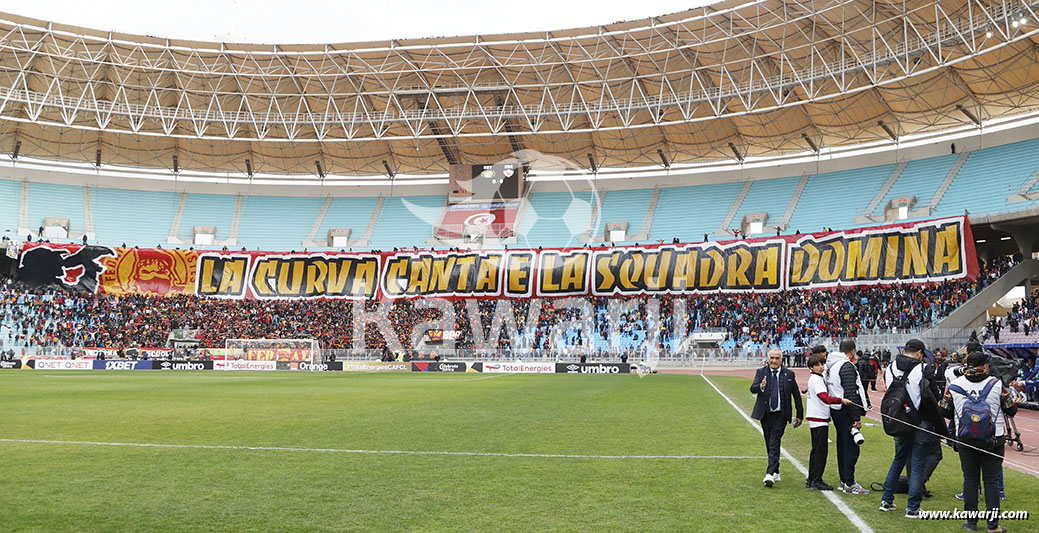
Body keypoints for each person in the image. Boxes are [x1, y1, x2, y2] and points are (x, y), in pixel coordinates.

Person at [940, 351, 1019, 533]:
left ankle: (971, 523)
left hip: (966, 438)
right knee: (991, 480)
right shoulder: (997, 384)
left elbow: (944, 411)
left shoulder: (955, 385)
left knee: (970, 478)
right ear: (985, 366)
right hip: (994, 438)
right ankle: (993, 525)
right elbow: (1011, 410)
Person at [879, 339, 946, 518]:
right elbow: (934, 395)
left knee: (898, 459)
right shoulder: (923, 368)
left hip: (898, 419)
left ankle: (886, 500)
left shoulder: (891, 366)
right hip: (920, 421)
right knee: (917, 464)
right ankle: (913, 507)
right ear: (919, 353)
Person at [750, 348, 804, 488]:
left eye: (777, 358)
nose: (774, 361)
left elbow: (796, 395)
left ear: (782, 359)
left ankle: (769, 473)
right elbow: (753, 388)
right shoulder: (761, 372)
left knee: (774, 441)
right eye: (772, 358)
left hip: (781, 414)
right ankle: (776, 470)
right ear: (768, 359)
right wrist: (761, 386)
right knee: (769, 442)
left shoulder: (789, 374)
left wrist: (799, 415)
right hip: (765, 414)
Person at [827, 340, 870, 495]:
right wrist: (856, 417)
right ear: (852, 351)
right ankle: (849, 482)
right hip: (845, 410)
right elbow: (851, 392)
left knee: (842, 446)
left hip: (837, 409)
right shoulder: (845, 366)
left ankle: (844, 480)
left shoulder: (832, 364)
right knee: (851, 448)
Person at [805, 353, 851, 491]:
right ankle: (816, 480)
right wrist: (840, 400)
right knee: (820, 451)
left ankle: (811, 478)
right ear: (811, 367)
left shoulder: (818, 378)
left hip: (818, 417)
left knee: (817, 450)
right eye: (817, 365)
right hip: (818, 418)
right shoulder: (816, 380)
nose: (821, 367)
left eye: (822, 364)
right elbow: (824, 397)